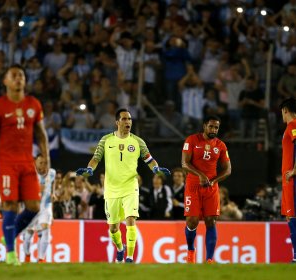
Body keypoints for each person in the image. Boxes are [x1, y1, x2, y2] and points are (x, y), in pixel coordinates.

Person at [75, 108, 170, 263]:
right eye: (125, 119)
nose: (128, 122)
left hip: (130, 186)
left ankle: (130, 257)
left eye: (130, 119)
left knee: (131, 220)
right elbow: (96, 158)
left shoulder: (138, 142)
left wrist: (156, 168)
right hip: (111, 188)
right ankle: (120, 248)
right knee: (113, 228)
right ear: (117, 122)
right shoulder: (106, 140)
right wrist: (89, 169)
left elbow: (149, 159)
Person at [0, 64, 50, 265]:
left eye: (21, 75)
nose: (18, 78)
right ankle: (11, 254)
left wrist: (46, 157)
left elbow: (41, 133)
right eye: (14, 75)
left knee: (34, 206)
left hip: (26, 161)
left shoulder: (34, 104)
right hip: (5, 161)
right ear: (5, 81)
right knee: (10, 205)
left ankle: (9, 236)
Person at [181, 115, 231, 264]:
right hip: (193, 185)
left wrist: (214, 181)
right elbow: (184, 163)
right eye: (211, 126)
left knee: (211, 221)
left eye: (216, 127)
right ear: (204, 126)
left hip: (211, 188)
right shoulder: (191, 140)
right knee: (192, 221)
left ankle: (209, 259)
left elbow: (228, 170)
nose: (213, 130)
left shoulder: (221, 145)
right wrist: (201, 175)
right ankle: (191, 250)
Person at [23, 154, 56, 263]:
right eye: (41, 163)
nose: (43, 165)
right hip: (32, 206)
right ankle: (27, 255)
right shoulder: (29, 174)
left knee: (46, 230)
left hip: (46, 206)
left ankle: (41, 259)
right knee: (28, 234)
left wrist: (53, 194)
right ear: (35, 163)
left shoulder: (52, 173)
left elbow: (53, 184)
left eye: (45, 163)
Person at [279, 97, 296, 263]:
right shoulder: (290, 127)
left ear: (285, 110)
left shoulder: (293, 125)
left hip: (293, 181)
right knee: (291, 218)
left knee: (293, 218)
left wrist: (294, 170)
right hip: (288, 181)